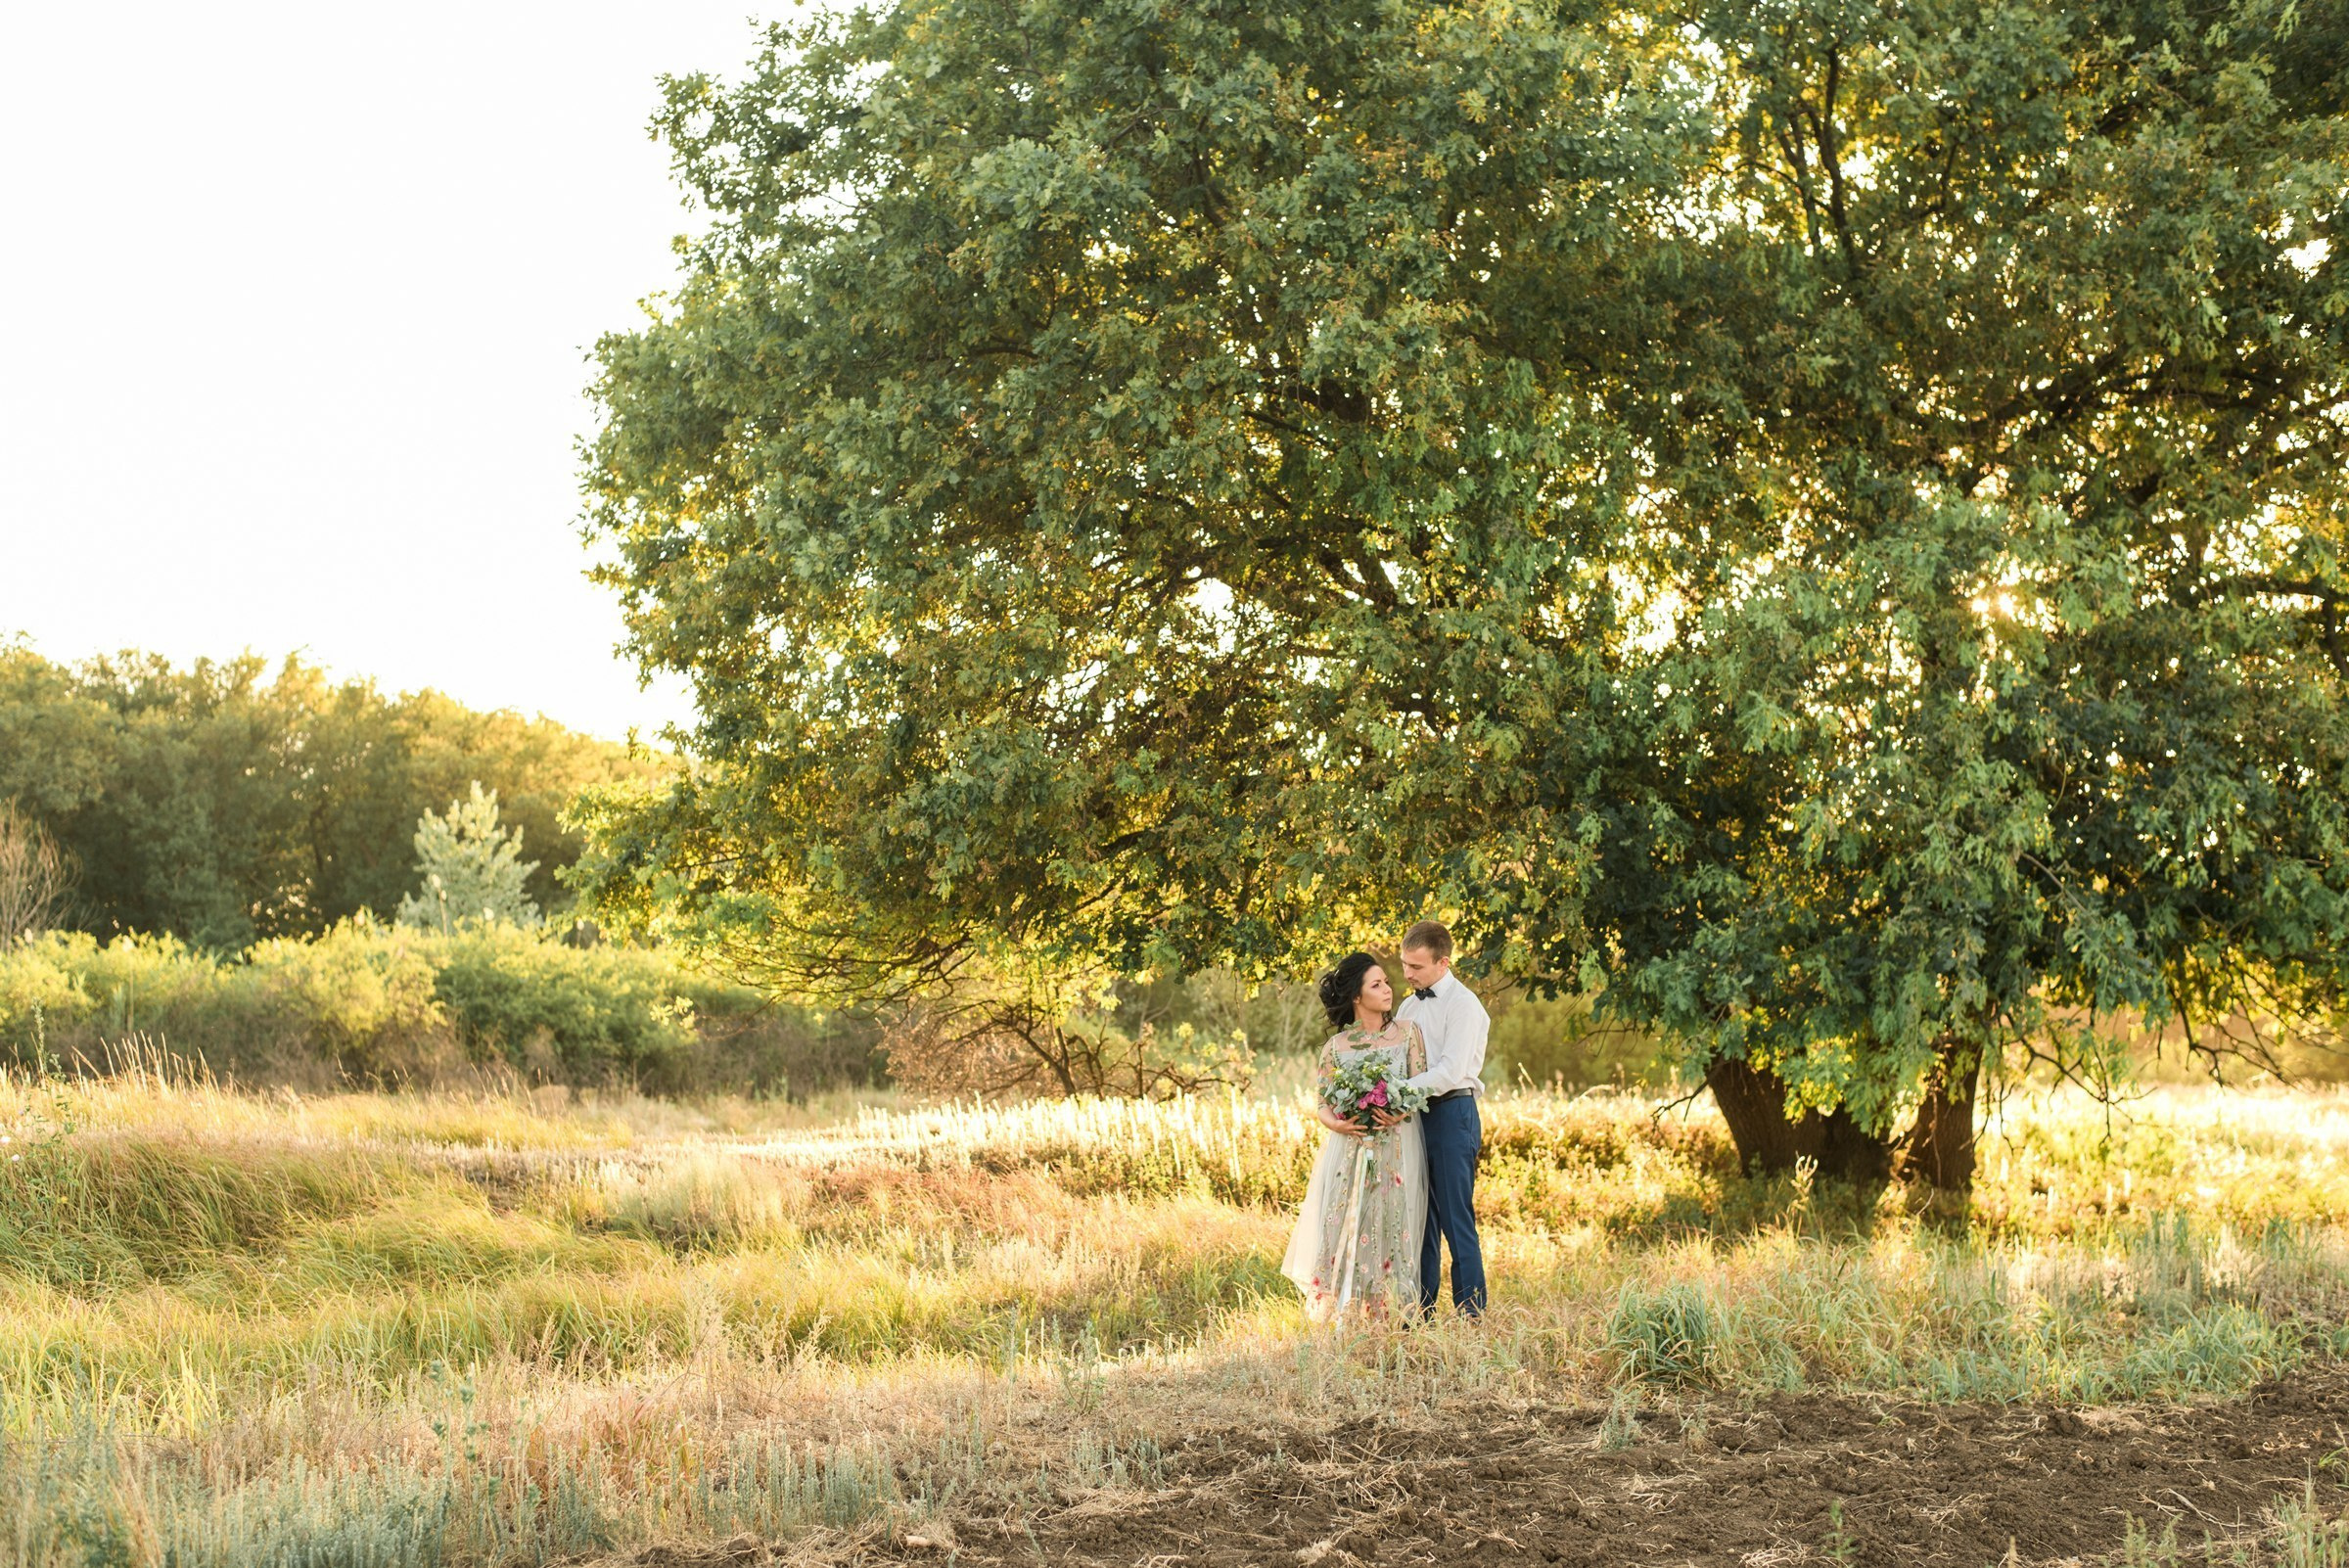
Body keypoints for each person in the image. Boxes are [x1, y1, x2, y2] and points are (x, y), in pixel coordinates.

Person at [1280, 951, 1430, 1320]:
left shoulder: (1408, 1034)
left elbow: (1420, 1086)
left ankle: (1390, 1314)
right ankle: (1347, 1313)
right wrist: (1339, 1125)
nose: (1387, 989)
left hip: (1397, 1146)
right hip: (1349, 1149)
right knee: (1346, 1223)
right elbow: (1322, 1104)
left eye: (1386, 982)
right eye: (1376, 984)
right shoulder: (1335, 1048)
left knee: (1392, 1223)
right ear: (1357, 997)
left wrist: (1399, 1109)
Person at [1395, 919, 1488, 1316]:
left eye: (1416, 967)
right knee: (1421, 1219)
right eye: (1404, 964)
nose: (1407, 974)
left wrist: (1399, 1091)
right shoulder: (1407, 1006)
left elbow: (1450, 1071)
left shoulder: (1465, 1006)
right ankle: (1422, 1311)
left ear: (1443, 962)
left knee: (1455, 1217)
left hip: (1453, 1113)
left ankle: (1471, 1313)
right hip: (1416, 1117)